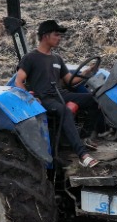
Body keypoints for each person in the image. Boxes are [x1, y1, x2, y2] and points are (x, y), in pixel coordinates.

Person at [14, 19, 101, 167]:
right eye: (56, 35)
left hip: (60, 94)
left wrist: (87, 72)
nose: (59, 38)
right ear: (45, 36)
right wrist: (32, 98)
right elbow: (18, 81)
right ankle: (82, 155)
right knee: (65, 111)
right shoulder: (31, 58)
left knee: (94, 99)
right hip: (44, 98)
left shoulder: (56, 59)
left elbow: (69, 80)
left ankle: (85, 136)